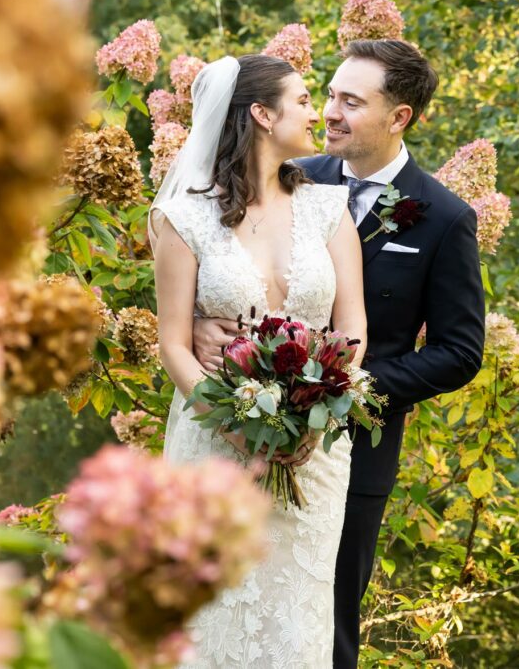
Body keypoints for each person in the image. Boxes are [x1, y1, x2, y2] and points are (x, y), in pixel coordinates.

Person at [191, 40, 486, 668]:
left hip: (348, 452)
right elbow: (220, 270)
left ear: (399, 117)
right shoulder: (288, 177)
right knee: (221, 611)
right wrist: (206, 334)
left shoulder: (444, 217)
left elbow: (461, 352)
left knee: (324, 631)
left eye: (351, 101)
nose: (330, 111)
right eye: (327, 94)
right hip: (235, 436)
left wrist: (332, 390)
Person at [149, 54, 366, 667]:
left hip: (313, 453)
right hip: (215, 445)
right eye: (302, 99)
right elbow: (172, 343)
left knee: (298, 622)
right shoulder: (183, 218)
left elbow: (351, 332)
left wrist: (313, 418)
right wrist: (235, 427)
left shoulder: (329, 208)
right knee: (212, 618)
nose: (316, 112)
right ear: (262, 115)